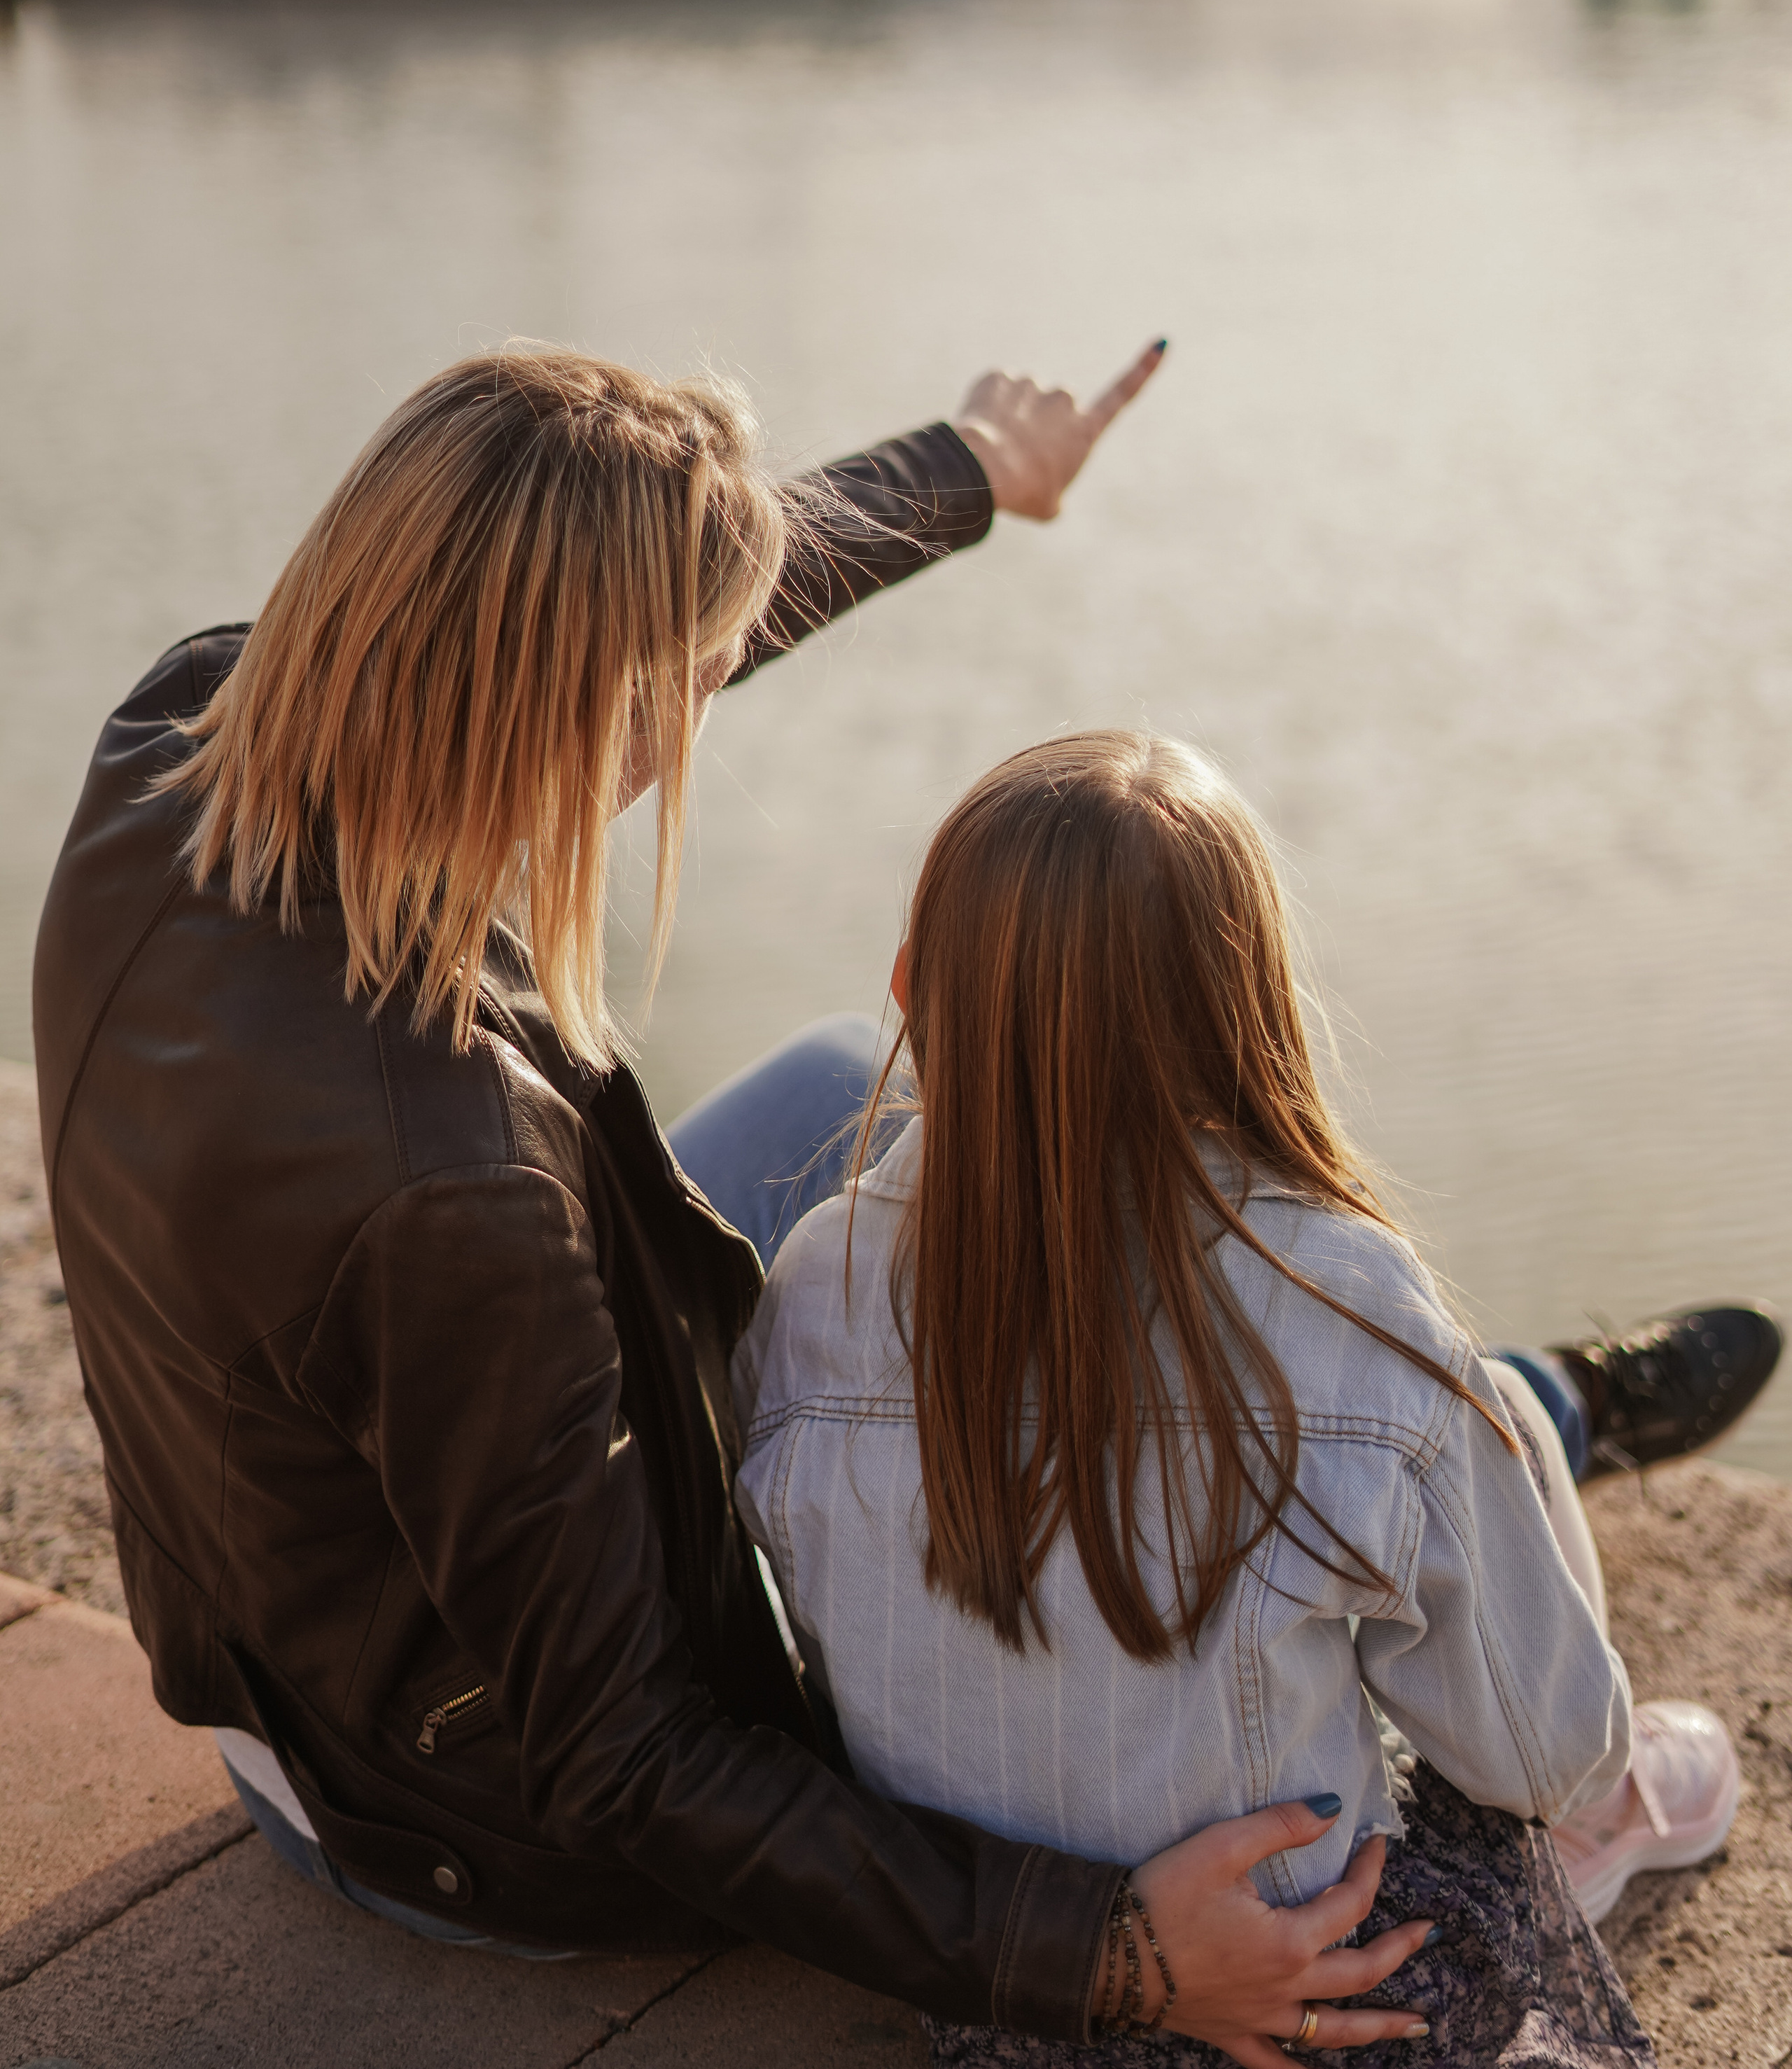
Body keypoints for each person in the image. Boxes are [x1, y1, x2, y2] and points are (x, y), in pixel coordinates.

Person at [33, 347, 1445, 2057]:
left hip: (292, 1654)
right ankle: (1511, 1416)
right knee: (1162, 1398)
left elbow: (611, 609)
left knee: (859, 1070)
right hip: (452, 1823)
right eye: (689, 683)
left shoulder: (187, 728)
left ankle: (1458, 1419)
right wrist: (1104, 1960)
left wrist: (971, 470)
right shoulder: (447, 1192)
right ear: (583, 702)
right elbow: (626, 1761)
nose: (704, 708)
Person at [733, 732, 1773, 2069]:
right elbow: (1534, 1754)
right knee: (1493, 1519)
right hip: (1293, 2004)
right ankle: (1629, 1808)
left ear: (905, 994)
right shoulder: (1345, 1309)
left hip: (987, 1977)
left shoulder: (809, 1284)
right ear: (1250, 1011)